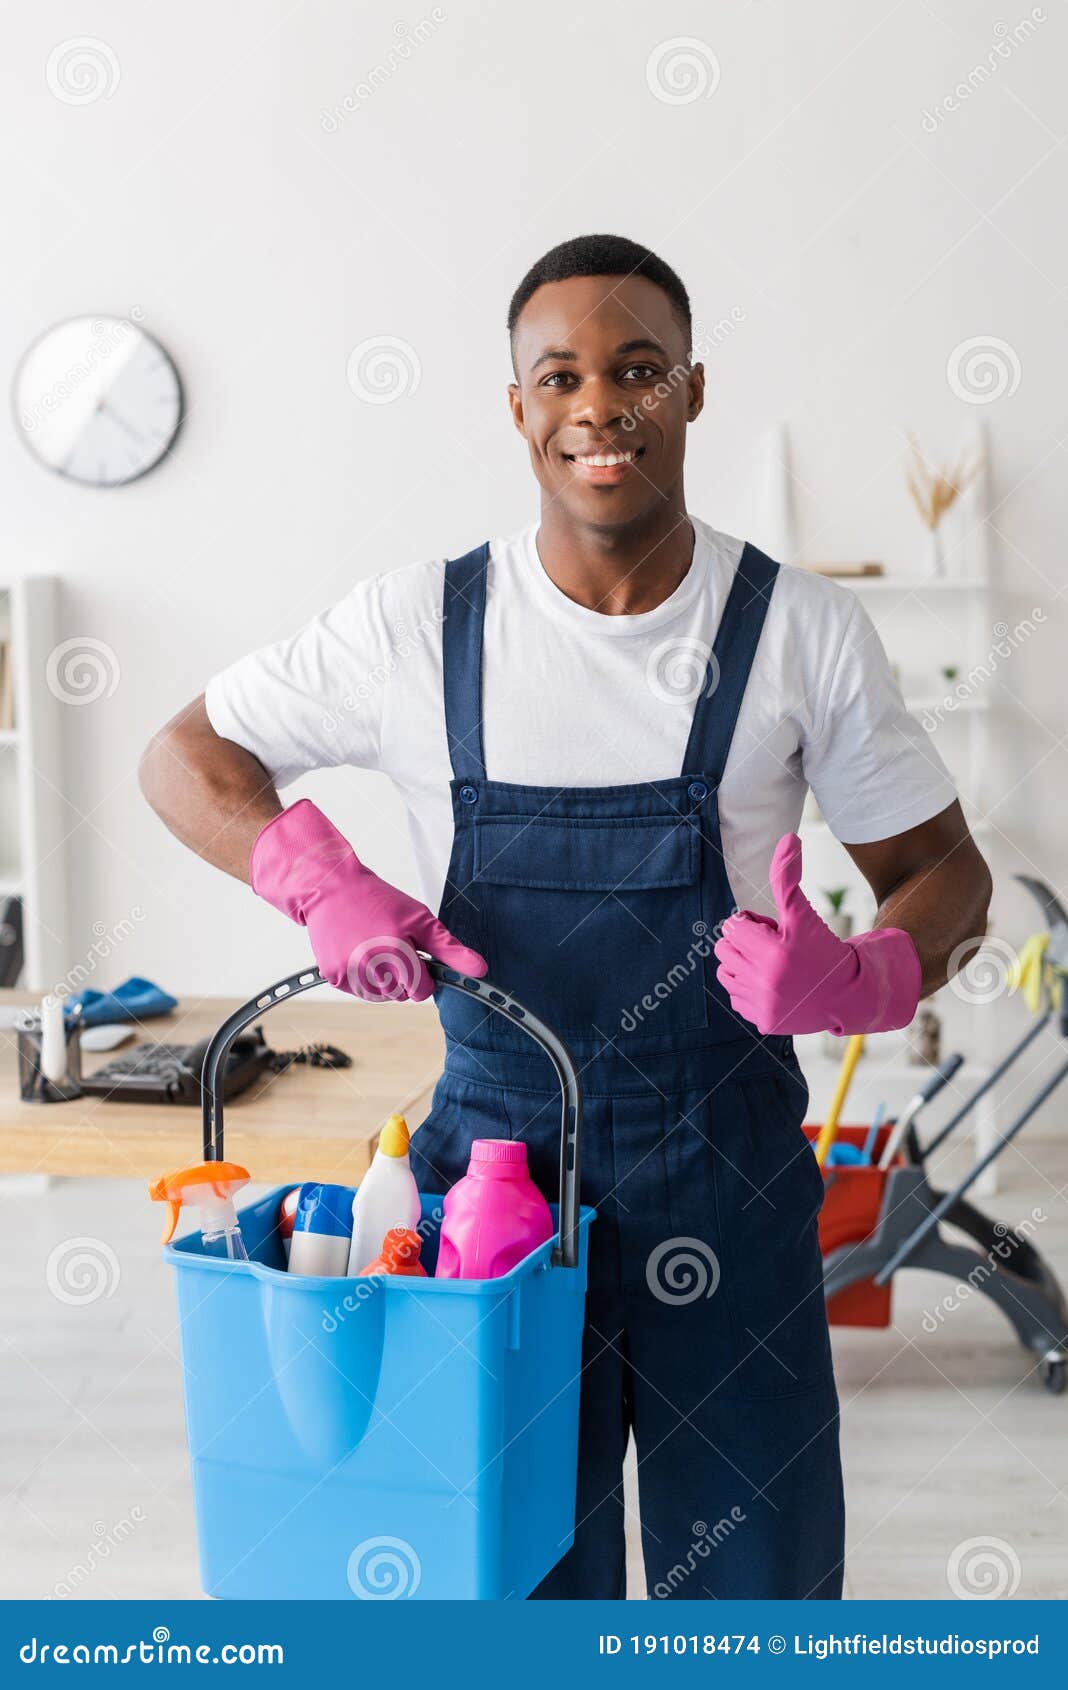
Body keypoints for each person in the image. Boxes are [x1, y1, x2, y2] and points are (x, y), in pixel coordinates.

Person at [140, 233, 992, 1600]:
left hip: (729, 1169)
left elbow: (948, 867)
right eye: (564, 374)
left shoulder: (799, 630)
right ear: (521, 407)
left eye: (638, 368)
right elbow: (184, 758)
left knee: (756, 1580)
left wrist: (868, 970)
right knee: (517, 1566)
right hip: (495, 1190)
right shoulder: (416, 625)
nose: (601, 403)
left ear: (693, 391)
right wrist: (317, 874)